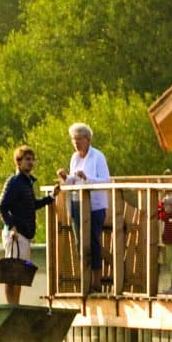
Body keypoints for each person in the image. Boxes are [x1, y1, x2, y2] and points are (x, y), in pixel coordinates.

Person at [0, 145, 51, 305]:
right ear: (18, 163)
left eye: (32, 159)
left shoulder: (27, 183)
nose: (31, 162)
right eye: (27, 159)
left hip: (24, 235)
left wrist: (50, 198)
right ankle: (10, 306)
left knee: (19, 273)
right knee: (11, 273)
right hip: (15, 234)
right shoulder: (14, 181)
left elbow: (31, 205)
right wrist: (12, 226)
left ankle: (15, 305)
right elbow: (1, 207)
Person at [59, 122, 111, 287]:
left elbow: (106, 181)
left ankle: (96, 282)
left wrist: (87, 178)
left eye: (79, 139)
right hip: (76, 203)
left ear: (88, 139)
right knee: (79, 242)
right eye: (73, 139)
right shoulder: (74, 158)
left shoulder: (98, 156)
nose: (76, 143)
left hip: (95, 206)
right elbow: (73, 181)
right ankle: (85, 279)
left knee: (93, 242)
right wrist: (64, 177)